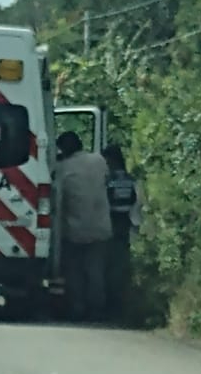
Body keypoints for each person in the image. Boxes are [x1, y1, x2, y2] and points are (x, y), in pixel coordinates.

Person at [54, 130, 113, 321]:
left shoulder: (63, 168)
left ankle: (77, 307)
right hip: (101, 226)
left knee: (75, 272)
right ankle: (97, 309)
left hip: (75, 229)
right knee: (96, 272)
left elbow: (57, 199)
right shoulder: (99, 161)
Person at [102, 144, 143, 318]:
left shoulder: (108, 180)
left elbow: (103, 202)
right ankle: (121, 300)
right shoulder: (131, 180)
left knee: (108, 264)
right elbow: (137, 204)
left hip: (111, 223)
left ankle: (111, 302)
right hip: (126, 224)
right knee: (122, 262)